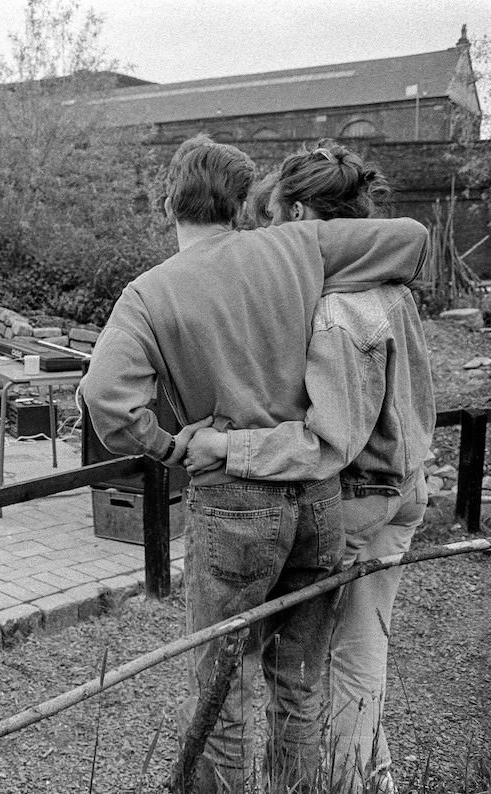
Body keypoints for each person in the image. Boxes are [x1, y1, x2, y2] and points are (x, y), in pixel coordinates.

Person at [78, 134, 429, 793]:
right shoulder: (297, 247)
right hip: (319, 498)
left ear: (166, 205)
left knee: (224, 689)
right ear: (241, 206)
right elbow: (411, 239)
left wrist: (167, 445)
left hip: (234, 503)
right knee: (298, 683)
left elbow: (105, 401)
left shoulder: (147, 297)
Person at [184, 140, 434, 794]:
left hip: (361, 497)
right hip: (406, 487)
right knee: (362, 657)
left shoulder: (338, 311)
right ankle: (373, 781)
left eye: (275, 218)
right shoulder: (389, 283)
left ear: (298, 211)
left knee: (310, 666)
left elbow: (328, 442)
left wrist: (228, 449)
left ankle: (343, 785)